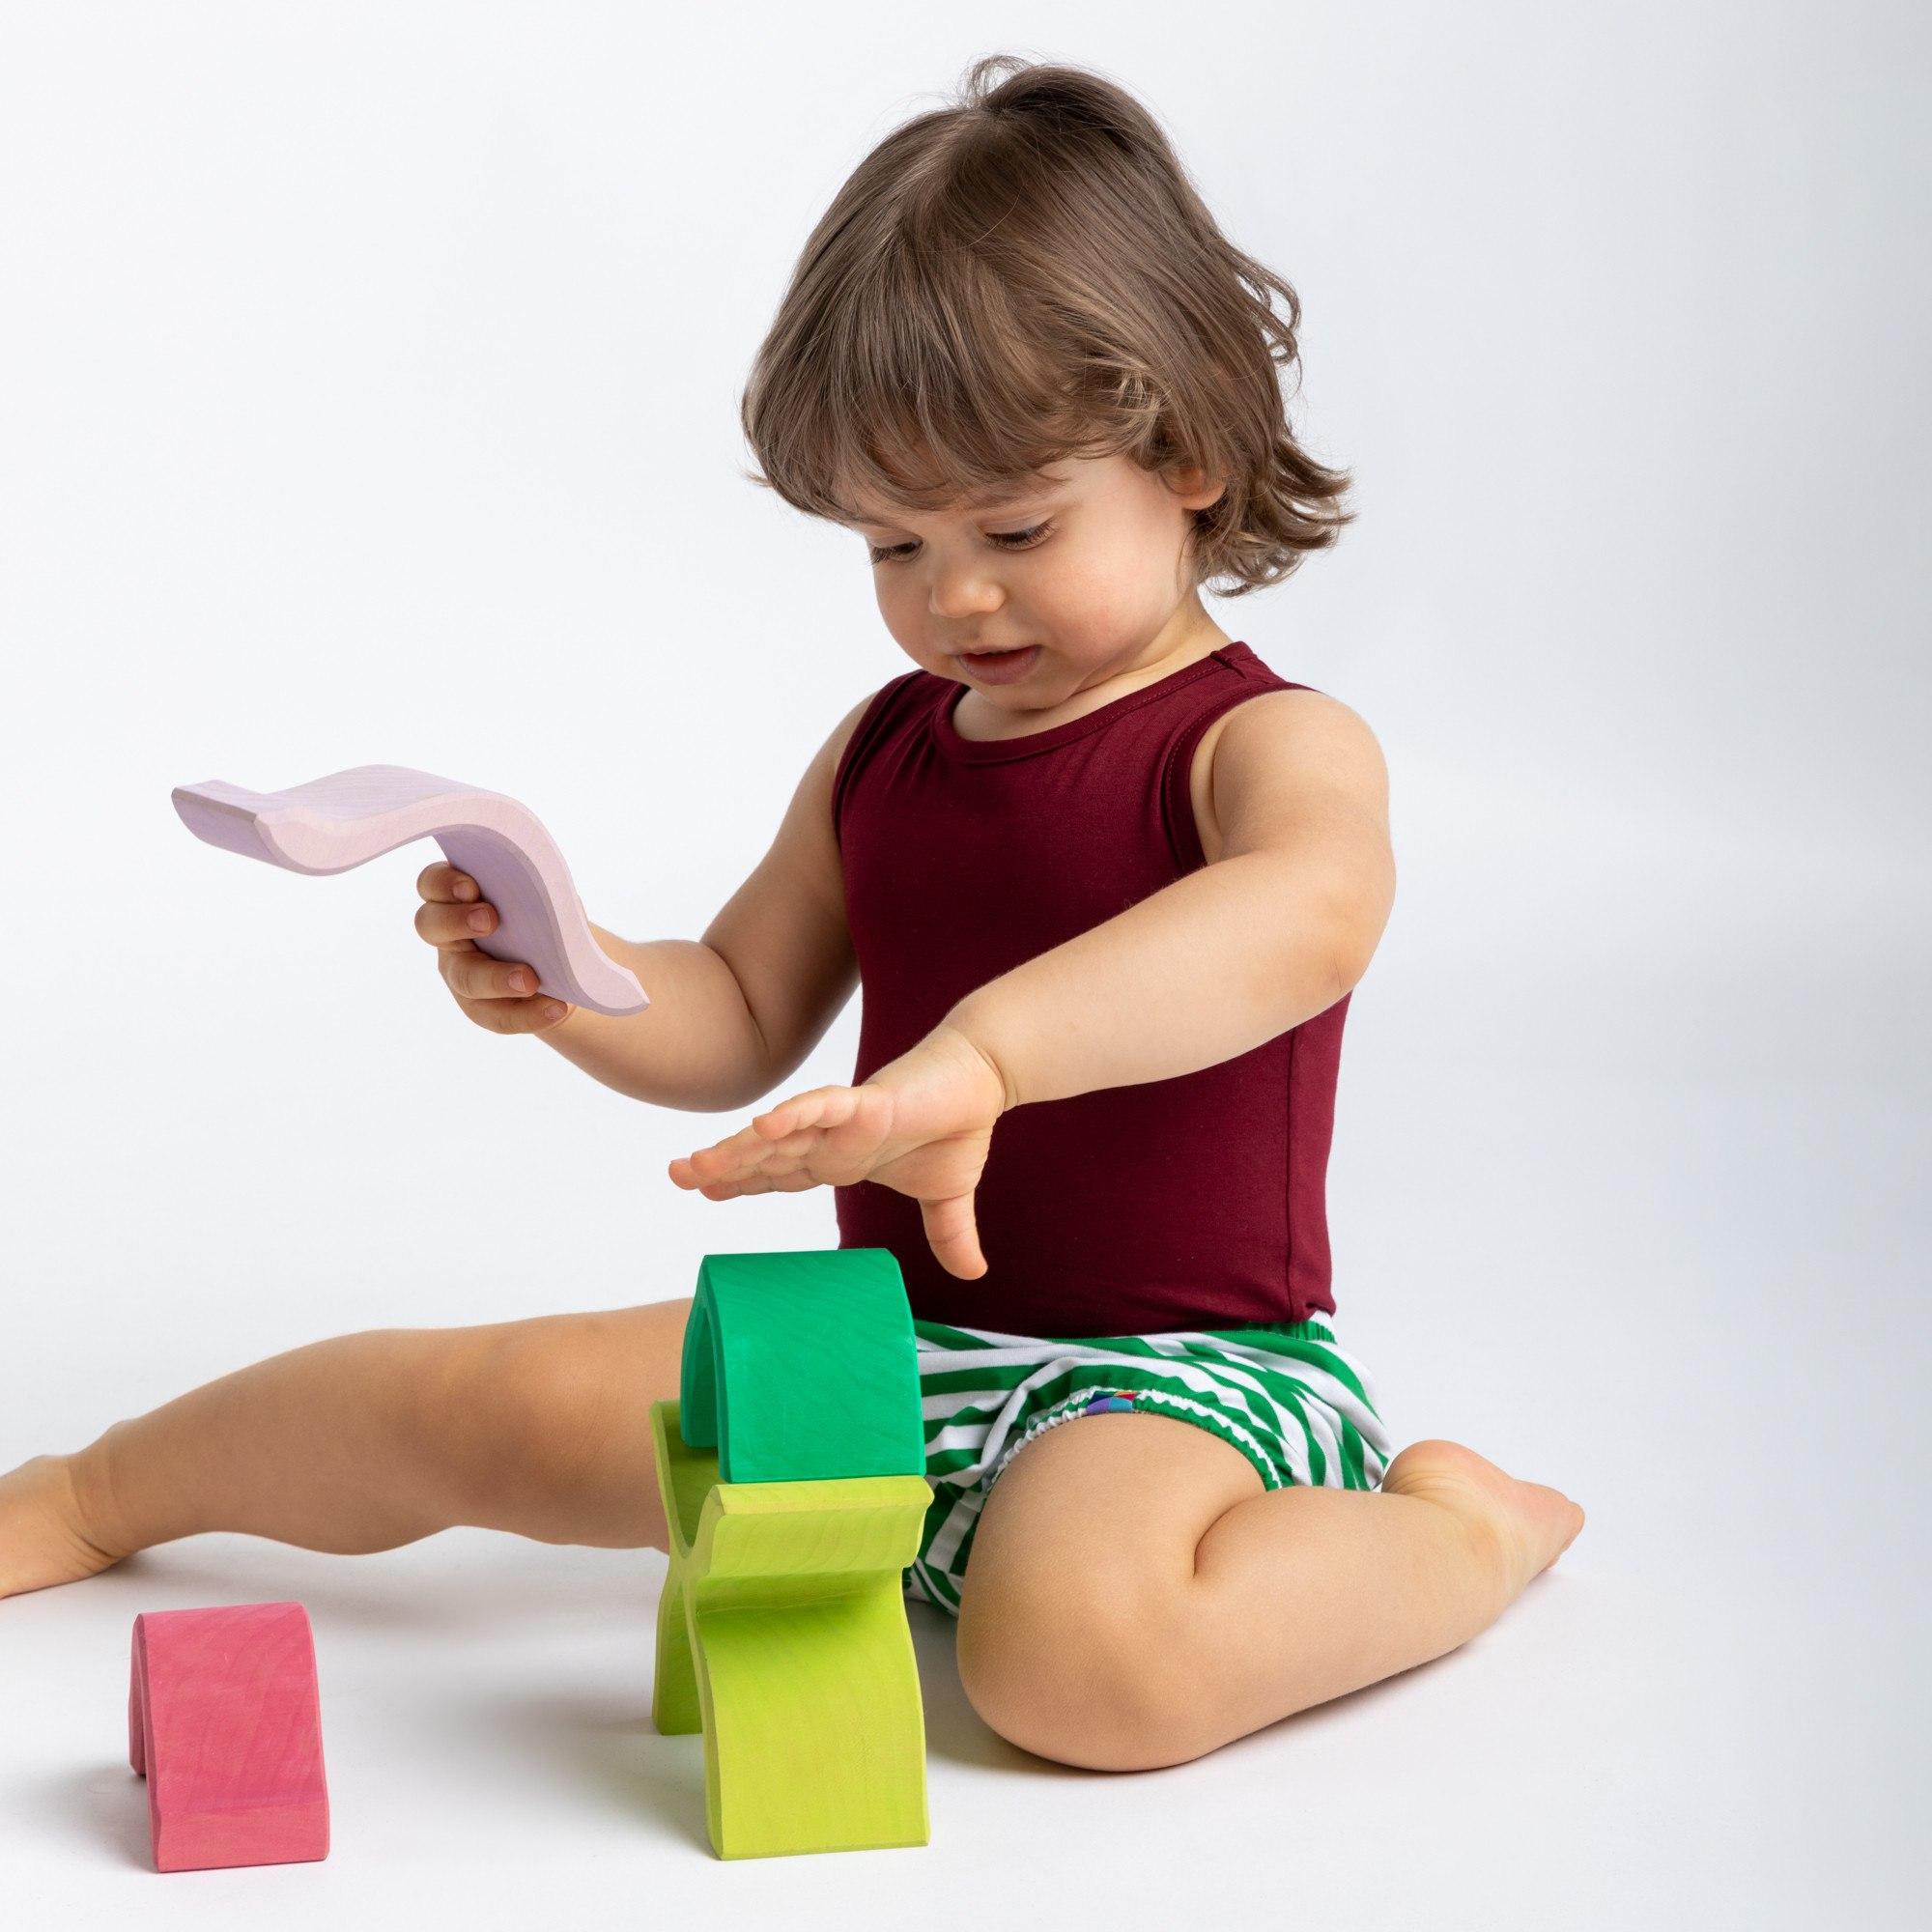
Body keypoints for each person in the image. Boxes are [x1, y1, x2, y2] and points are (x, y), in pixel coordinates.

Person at [0, 54, 1581, 1774]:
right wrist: (576, 977)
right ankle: (99, 1486)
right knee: (487, 1401)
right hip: (891, 1353)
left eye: (1014, 526)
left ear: (1187, 451)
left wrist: (980, 1062)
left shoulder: (1262, 748)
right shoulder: (884, 751)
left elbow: (1308, 918)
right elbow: (743, 1012)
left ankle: (1460, 1539)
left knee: (1074, 1663)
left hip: (1183, 1379)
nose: (951, 595)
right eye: (892, 546)